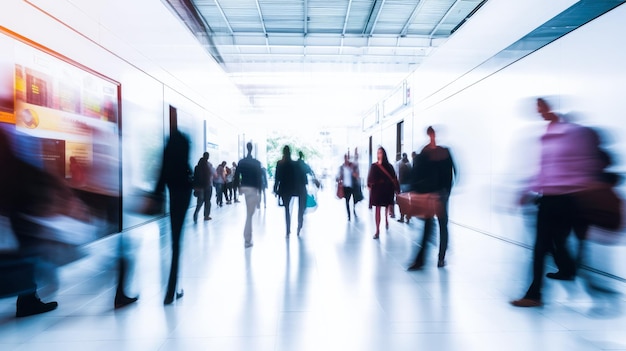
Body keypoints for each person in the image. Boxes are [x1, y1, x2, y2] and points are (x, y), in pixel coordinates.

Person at [511, 98, 608, 308]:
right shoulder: (548, 136)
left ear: (552, 109)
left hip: (567, 200)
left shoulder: (575, 134)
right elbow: (545, 169)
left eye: (542, 109)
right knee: (552, 246)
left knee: (545, 247)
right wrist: (528, 190)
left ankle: (537, 293)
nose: (541, 114)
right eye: (538, 111)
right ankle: (564, 276)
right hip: (551, 199)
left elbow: (586, 167)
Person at [154, 120, 192, 305]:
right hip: (184, 193)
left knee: (174, 241)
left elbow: (163, 170)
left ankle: (171, 290)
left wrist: (157, 192)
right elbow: (187, 166)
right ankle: (173, 288)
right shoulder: (185, 141)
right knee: (178, 241)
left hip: (173, 192)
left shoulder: (169, 145)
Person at [408, 126, 457, 270]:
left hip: (439, 195)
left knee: (439, 225)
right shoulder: (426, 152)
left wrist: (446, 191)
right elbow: (417, 173)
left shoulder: (442, 152)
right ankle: (427, 259)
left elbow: (453, 171)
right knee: (433, 226)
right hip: (431, 195)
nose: (432, 136)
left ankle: (440, 257)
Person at [274, 145, 307, 237]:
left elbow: (277, 178)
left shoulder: (279, 163)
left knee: (287, 209)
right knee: (299, 207)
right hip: (295, 188)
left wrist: (275, 189)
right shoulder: (295, 164)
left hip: (284, 188)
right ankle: (299, 225)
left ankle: (288, 229)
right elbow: (299, 175)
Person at [234, 142, 263, 248]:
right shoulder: (256, 163)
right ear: (252, 149)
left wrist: (237, 188)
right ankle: (247, 239)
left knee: (249, 213)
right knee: (249, 215)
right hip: (252, 189)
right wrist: (260, 190)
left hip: (244, 187)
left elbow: (236, 176)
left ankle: (247, 238)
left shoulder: (242, 162)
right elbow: (259, 178)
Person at [367, 147, 399, 239]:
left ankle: (386, 220)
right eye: (378, 153)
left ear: (383, 154)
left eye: (380, 152)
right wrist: (370, 185)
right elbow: (370, 178)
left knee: (386, 207)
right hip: (377, 191)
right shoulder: (374, 166)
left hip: (387, 190)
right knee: (377, 209)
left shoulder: (389, 166)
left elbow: (394, 177)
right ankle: (377, 230)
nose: (379, 154)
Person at [337, 153, 361, 221]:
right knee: (347, 201)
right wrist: (339, 180)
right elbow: (339, 176)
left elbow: (357, 175)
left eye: (347, 157)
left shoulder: (352, 166)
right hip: (345, 187)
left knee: (354, 200)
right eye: (345, 158)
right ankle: (349, 215)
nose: (346, 159)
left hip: (353, 186)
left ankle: (354, 211)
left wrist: (353, 171)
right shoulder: (342, 167)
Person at [192, 152, 214, 222]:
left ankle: (196, 213)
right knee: (207, 201)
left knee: (200, 202)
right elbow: (212, 174)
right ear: (208, 157)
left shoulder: (197, 166)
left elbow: (195, 177)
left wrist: (195, 187)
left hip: (200, 187)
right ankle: (206, 216)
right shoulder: (209, 165)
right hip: (208, 185)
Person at [396, 153, 412, 223]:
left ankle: (402, 217)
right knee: (408, 201)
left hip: (403, 185)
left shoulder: (401, 165)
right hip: (408, 185)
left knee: (402, 202)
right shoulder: (409, 165)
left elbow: (400, 176)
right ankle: (408, 217)